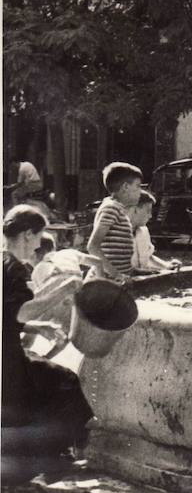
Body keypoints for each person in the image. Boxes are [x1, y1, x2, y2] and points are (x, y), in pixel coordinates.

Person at [2, 205, 93, 450]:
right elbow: (22, 311)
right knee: (66, 380)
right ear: (27, 235)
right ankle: (64, 454)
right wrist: (64, 288)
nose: (37, 245)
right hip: (8, 362)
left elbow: (9, 314)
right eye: (39, 236)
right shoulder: (15, 268)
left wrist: (37, 327)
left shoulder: (3, 261)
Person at [87, 162, 143, 282]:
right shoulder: (111, 208)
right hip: (105, 282)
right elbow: (93, 247)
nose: (141, 191)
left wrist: (134, 271)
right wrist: (116, 274)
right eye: (138, 186)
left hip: (115, 281)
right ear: (125, 187)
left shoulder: (119, 210)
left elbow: (118, 253)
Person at [128, 191, 182, 273]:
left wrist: (167, 265)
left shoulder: (143, 231)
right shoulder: (118, 231)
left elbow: (148, 256)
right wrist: (139, 272)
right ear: (135, 210)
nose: (150, 216)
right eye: (148, 211)